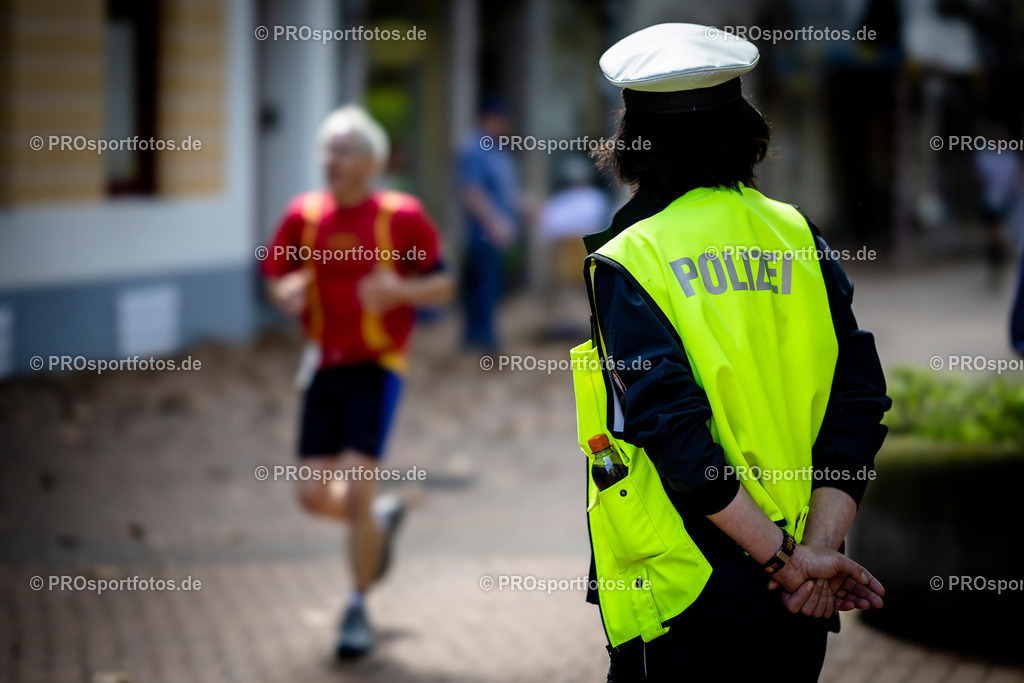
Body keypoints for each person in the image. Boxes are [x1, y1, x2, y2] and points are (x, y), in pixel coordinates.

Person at [572, 24, 891, 681]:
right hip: (800, 591)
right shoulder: (797, 232)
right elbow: (858, 402)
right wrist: (813, 556)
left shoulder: (632, 256)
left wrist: (783, 560)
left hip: (683, 590)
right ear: (745, 130)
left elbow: (678, 438)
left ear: (633, 139)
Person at [261, 105, 454, 658]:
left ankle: (356, 607)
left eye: (345, 151)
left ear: (372, 161)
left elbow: (441, 283)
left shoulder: (401, 215)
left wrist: (402, 291)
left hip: (378, 365)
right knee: (313, 495)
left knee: (355, 479)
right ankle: (380, 520)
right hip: (323, 364)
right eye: (327, 149)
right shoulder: (305, 214)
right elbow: (276, 273)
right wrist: (286, 292)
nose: (332, 160)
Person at [457, 97, 520, 353]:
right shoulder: (473, 149)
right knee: (483, 288)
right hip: (482, 234)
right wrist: (494, 223)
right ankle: (480, 343)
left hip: (496, 231)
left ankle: (478, 341)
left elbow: (505, 193)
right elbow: (471, 191)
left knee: (488, 286)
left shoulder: (496, 151)